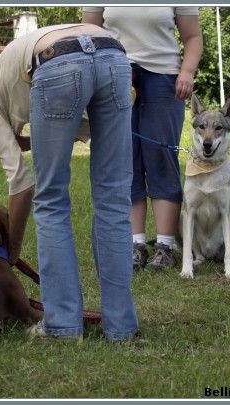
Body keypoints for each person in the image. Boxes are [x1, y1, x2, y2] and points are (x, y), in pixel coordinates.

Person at [0, 24, 138, 341]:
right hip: (113, 55)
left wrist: (12, 248)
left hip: (57, 61)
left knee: (51, 202)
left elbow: (22, 186)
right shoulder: (10, 78)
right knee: (113, 200)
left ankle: (62, 325)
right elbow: (74, 128)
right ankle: (121, 328)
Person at [82, 7, 203, 270]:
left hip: (164, 79)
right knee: (126, 159)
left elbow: (193, 36)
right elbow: (87, 34)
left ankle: (165, 247)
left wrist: (187, 71)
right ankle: (135, 246)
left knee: (161, 156)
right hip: (115, 77)